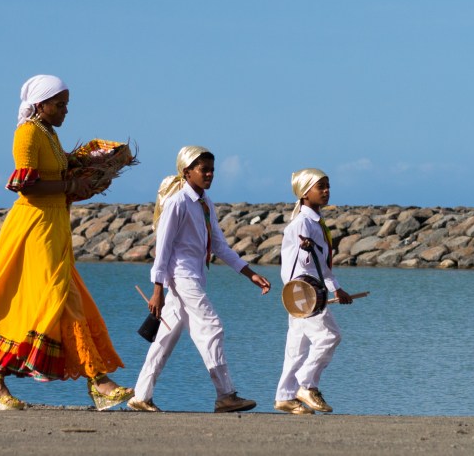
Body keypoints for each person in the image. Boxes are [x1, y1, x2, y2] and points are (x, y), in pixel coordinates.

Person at [0, 74, 134, 411]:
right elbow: (27, 186)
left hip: (54, 224)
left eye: (66, 105)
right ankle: (98, 381)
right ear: (40, 105)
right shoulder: (27, 133)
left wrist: (84, 176)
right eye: (59, 105)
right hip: (35, 228)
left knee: (32, 302)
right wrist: (69, 188)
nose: (65, 111)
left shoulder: (48, 133)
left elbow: (57, 179)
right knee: (61, 296)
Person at [128, 146, 271, 413]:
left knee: (164, 339)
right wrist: (157, 288)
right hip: (182, 278)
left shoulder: (206, 204)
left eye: (212, 170)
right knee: (212, 327)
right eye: (204, 170)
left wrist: (249, 273)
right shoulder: (177, 203)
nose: (209, 174)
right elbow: (164, 247)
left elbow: (219, 245)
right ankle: (226, 394)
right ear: (187, 172)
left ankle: (140, 396)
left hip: (192, 278)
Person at [274, 168, 352, 415]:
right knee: (330, 336)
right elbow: (294, 268)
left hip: (307, 294)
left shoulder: (314, 222)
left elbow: (320, 263)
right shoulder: (302, 224)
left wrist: (336, 289)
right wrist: (303, 296)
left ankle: (285, 396)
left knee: (296, 349)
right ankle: (306, 385)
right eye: (322, 187)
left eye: (328, 186)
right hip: (304, 295)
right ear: (305, 192)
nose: (327, 191)